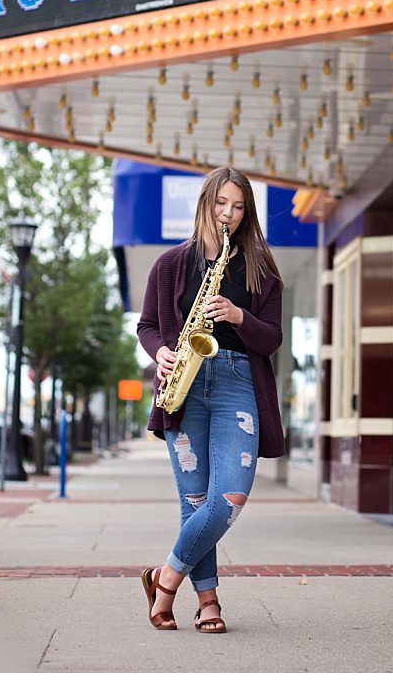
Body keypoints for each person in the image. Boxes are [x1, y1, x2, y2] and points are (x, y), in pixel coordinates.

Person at [135, 165, 285, 635]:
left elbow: (273, 339)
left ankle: (165, 579)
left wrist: (239, 315)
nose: (229, 214)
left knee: (227, 499)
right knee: (194, 500)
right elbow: (146, 326)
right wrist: (160, 351)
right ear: (205, 203)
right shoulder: (170, 264)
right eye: (222, 203)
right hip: (184, 384)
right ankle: (209, 602)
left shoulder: (262, 269)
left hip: (238, 381)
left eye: (238, 207)